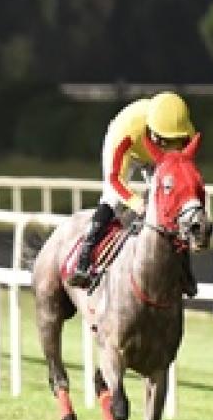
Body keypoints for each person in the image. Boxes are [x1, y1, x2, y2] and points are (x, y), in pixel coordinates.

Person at [68, 90, 199, 295]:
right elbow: (114, 178)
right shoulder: (127, 130)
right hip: (128, 150)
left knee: (172, 208)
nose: (168, 146)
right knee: (112, 199)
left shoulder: (184, 133)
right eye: (163, 140)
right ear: (151, 130)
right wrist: (137, 202)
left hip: (154, 159)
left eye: (174, 141)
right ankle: (85, 257)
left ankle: (184, 270)